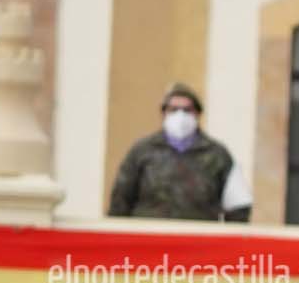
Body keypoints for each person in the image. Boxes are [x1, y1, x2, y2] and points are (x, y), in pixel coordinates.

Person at [107, 83, 250, 221]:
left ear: (197, 114)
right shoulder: (142, 150)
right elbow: (120, 199)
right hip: (150, 237)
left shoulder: (218, 154)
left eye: (187, 110)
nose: (180, 115)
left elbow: (238, 206)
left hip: (198, 239)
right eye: (173, 109)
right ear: (164, 113)